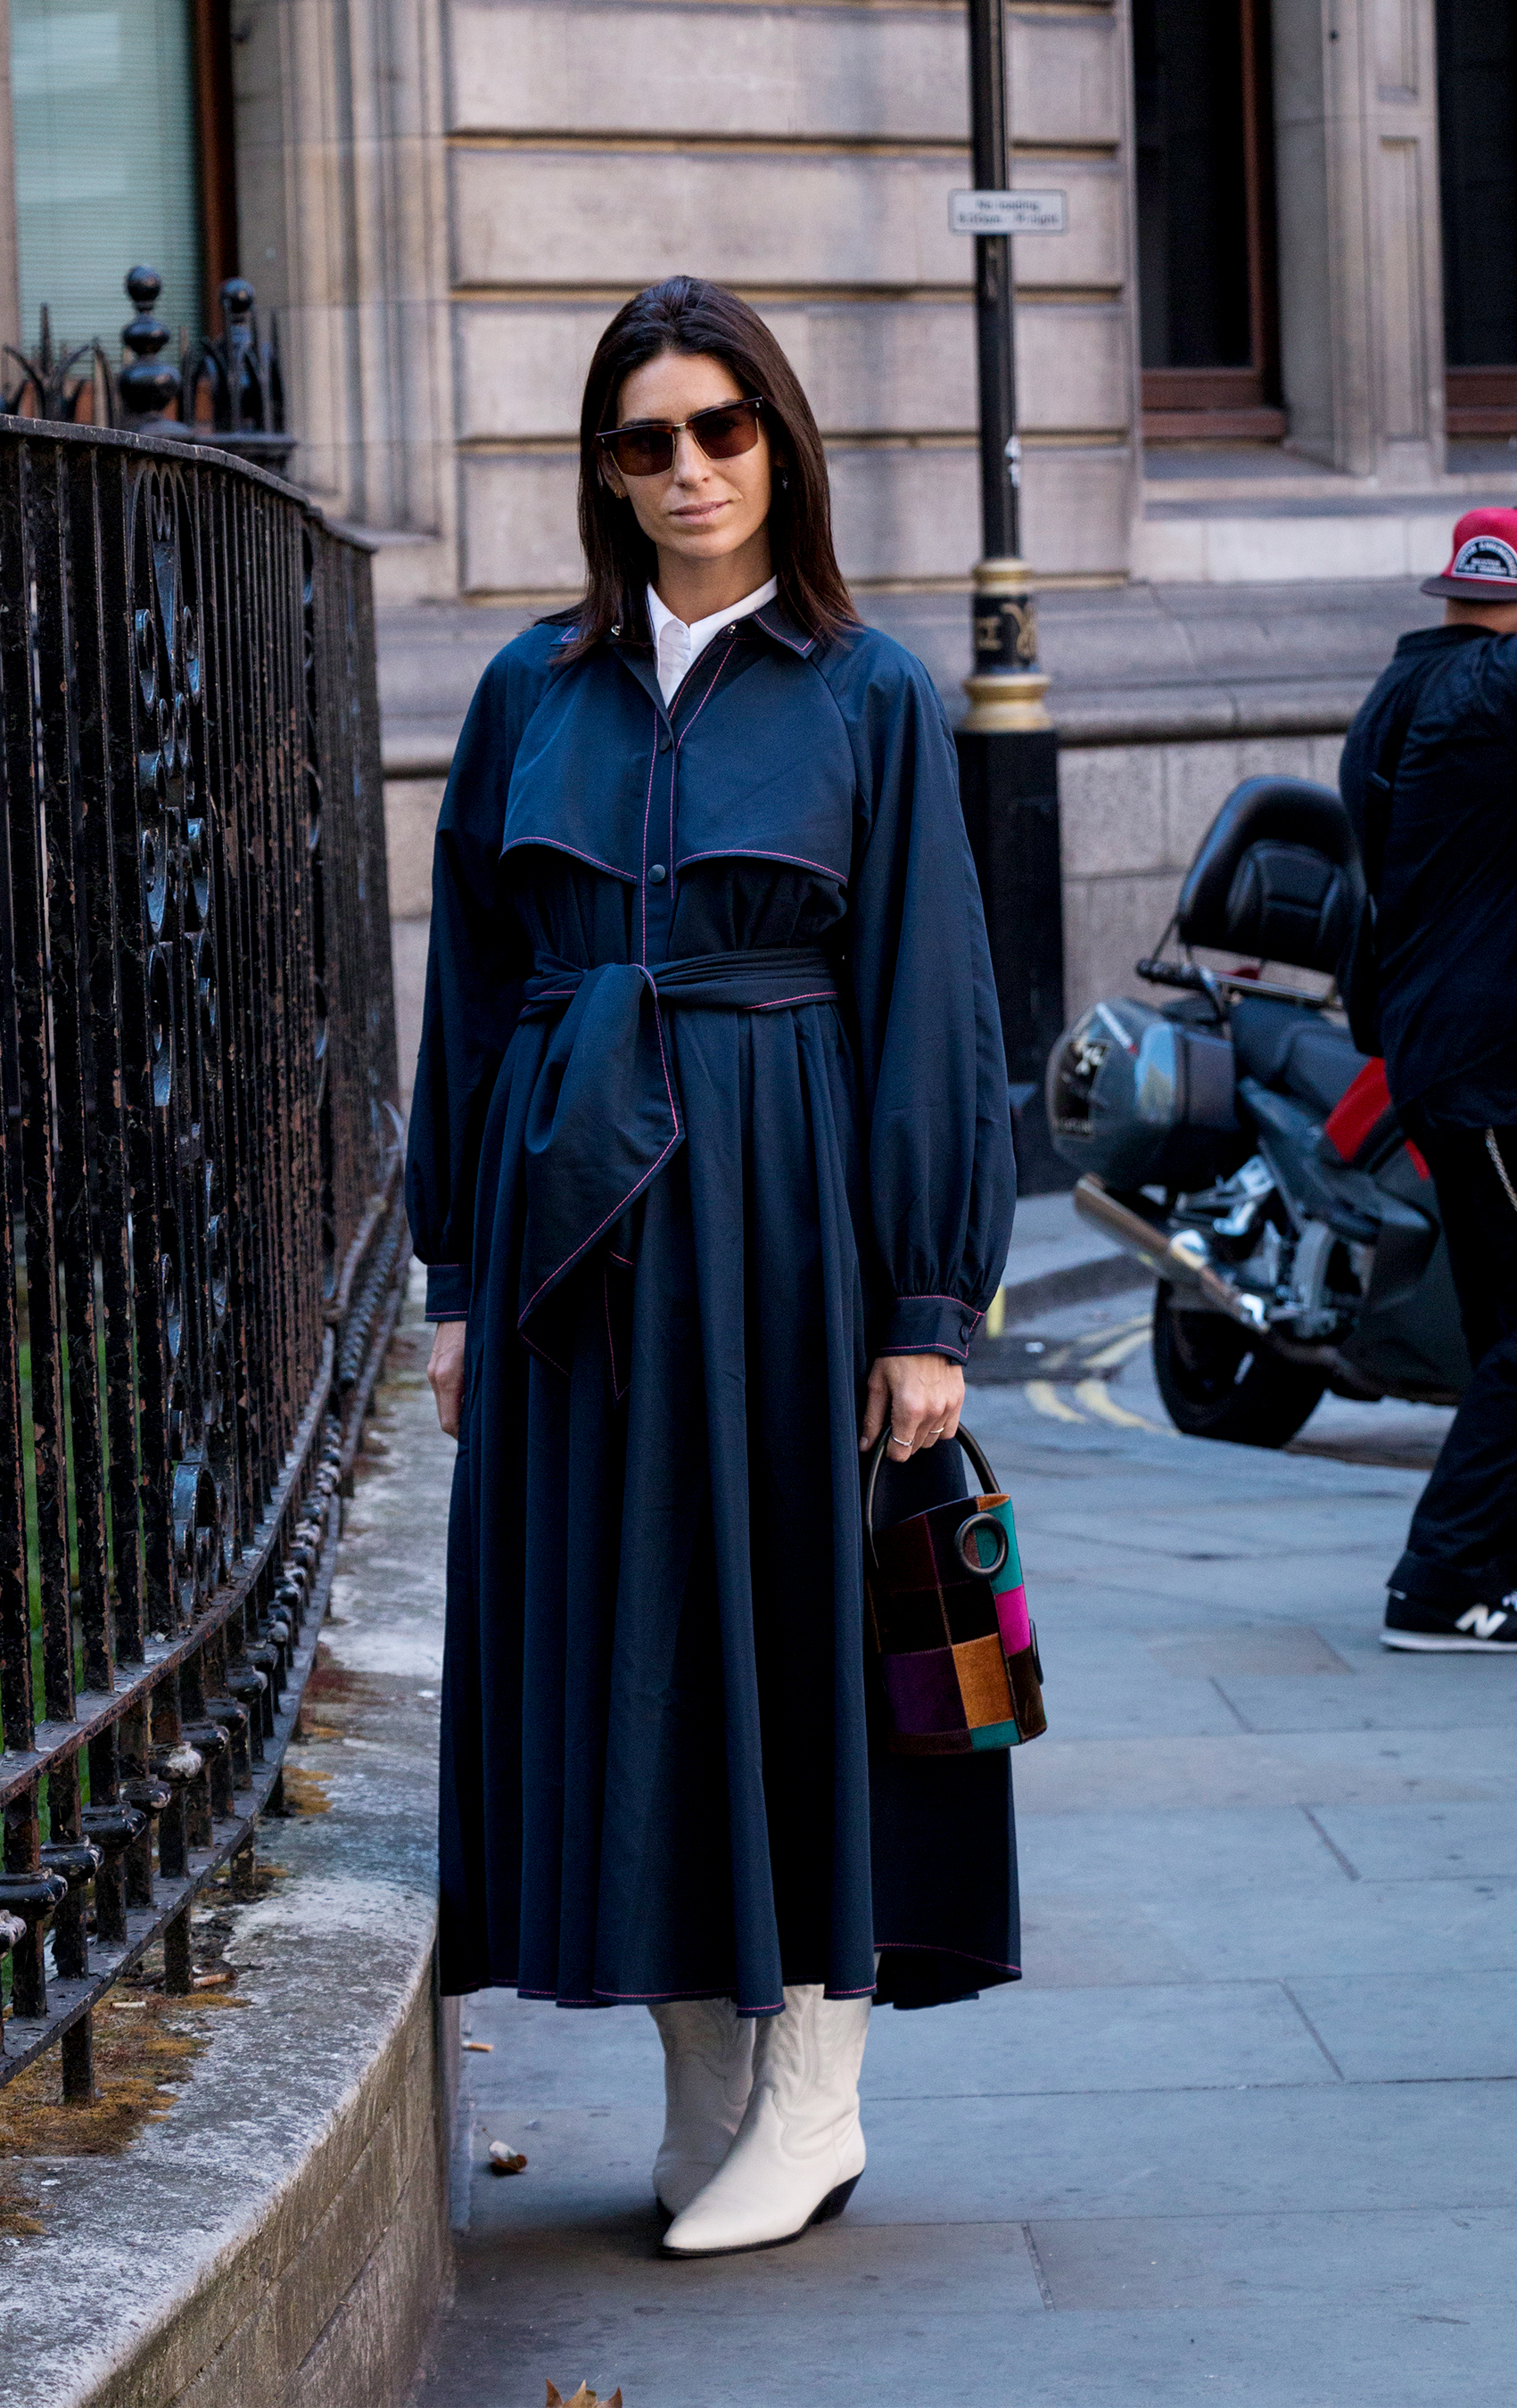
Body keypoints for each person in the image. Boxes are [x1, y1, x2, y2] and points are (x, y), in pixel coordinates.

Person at [404, 276, 1018, 2257]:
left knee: (797, 1638)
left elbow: (931, 1001)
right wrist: (454, 1279)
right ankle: (699, 2077)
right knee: (621, 1646)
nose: (689, 470)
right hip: (567, 1249)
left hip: (784, 1228)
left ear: (782, 442)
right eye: (648, 438)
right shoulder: (531, 693)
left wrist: (928, 1309)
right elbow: (472, 995)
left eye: (724, 427)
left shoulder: (874, 696)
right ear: (604, 467)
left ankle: (817, 2090)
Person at [1339, 507, 1517, 1651]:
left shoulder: (1395, 697)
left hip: (1435, 1049)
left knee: (1502, 1318)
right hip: (1493, 1065)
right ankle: (1439, 1584)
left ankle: (1484, 1572)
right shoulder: (1492, 691)